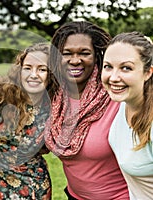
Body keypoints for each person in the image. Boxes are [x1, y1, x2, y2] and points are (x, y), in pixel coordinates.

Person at [44, 21, 129, 199]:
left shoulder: (116, 97)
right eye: (67, 53)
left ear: (98, 55)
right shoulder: (54, 97)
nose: (75, 60)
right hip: (75, 196)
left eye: (84, 53)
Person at [0, 43, 55, 200]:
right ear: (20, 70)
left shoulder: (54, 105)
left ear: (51, 74)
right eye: (28, 68)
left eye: (42, 69)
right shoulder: (3, 94)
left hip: (35, 186)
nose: (33, 74)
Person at [101, 31, 153, 199]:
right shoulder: (122, 103)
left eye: (126, 68)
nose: (114, 77)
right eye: (108, 66)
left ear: (147, 72)